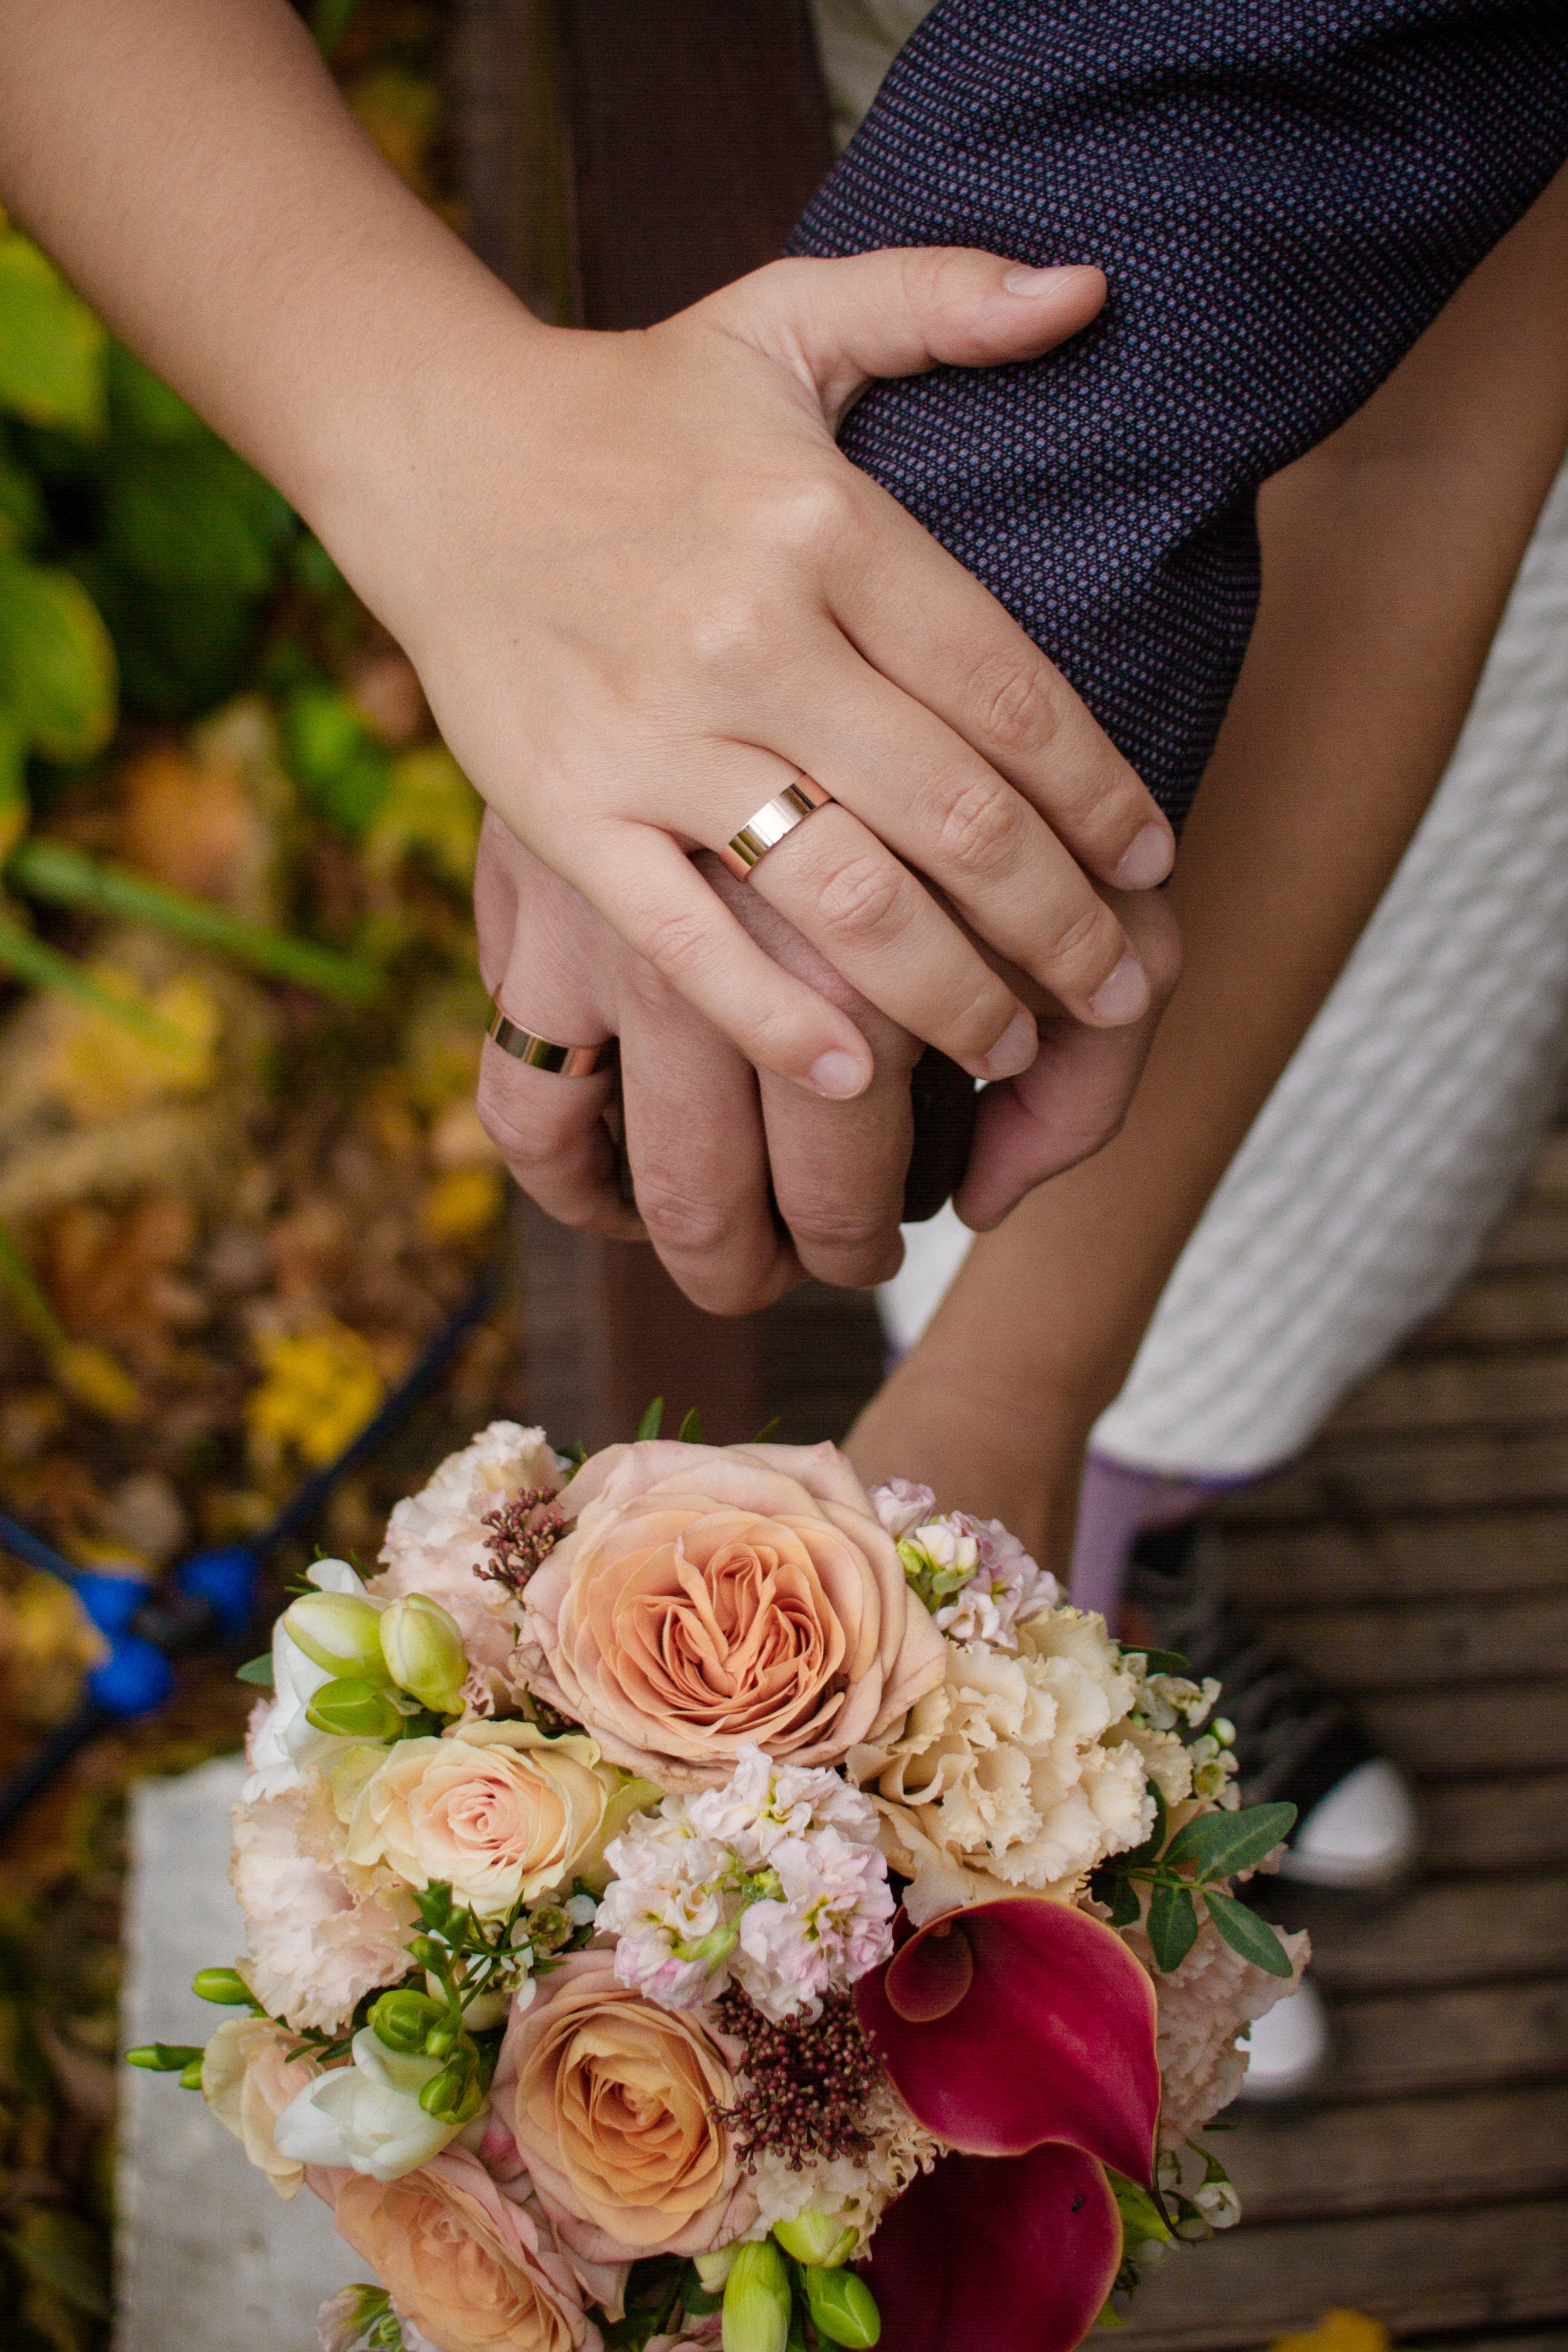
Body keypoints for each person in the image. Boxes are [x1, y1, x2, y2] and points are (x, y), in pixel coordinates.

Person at [9, 2, 1567, 1316]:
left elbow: (1423, 448)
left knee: (1282, 1251)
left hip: (1437, 272)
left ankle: (1157, 1504)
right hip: (822, 198)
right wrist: (448, 458)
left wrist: (1022, 1387)